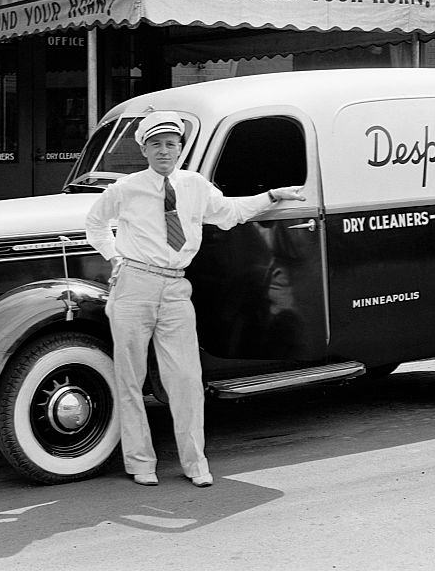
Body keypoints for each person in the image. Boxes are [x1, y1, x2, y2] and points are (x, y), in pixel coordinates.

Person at [85, 110, 305, 488]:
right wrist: (114, 256)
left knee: (186, 378)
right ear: (143, 149)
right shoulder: (125, 189)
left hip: (175, 288)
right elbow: (94, 223)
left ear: (181, 149)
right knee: (130, 378)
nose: (164, 151)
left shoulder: (195, 186)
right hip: (134, 285)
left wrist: (271, 196)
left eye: (171, 144)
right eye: (156, 144)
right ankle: (140, 463)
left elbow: (230, 213)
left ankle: (195, 462)